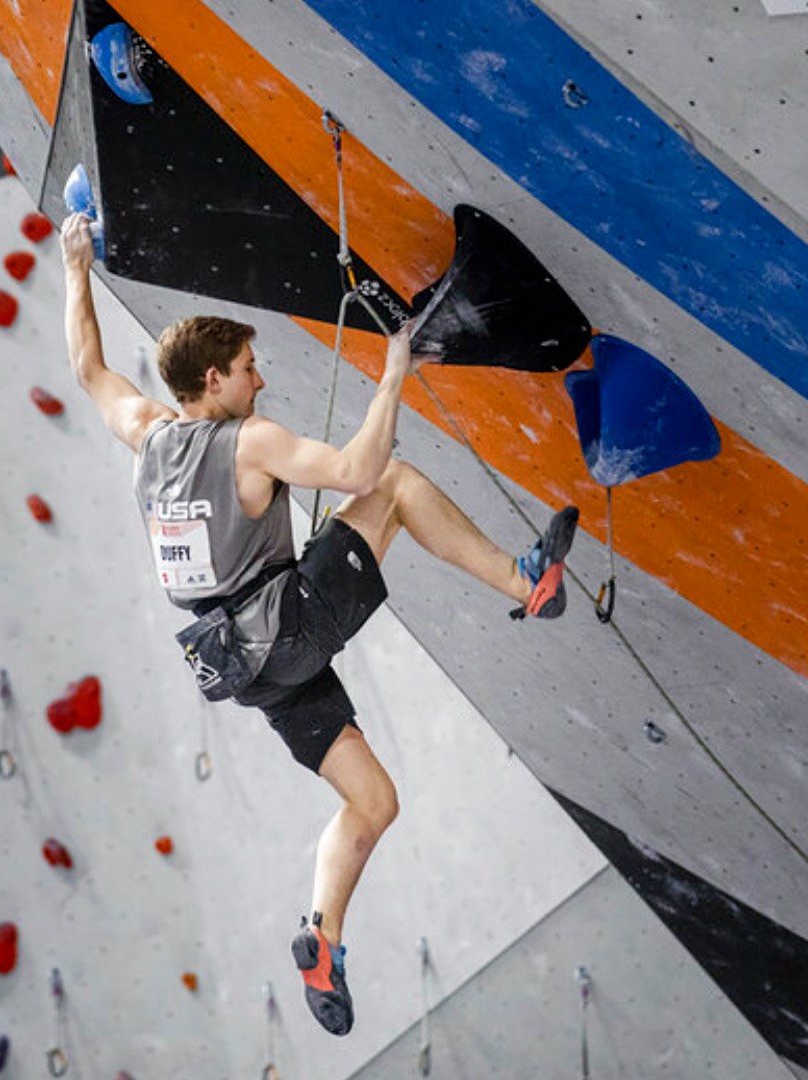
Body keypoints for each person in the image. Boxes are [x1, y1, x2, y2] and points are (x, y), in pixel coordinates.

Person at [59, 212, 578, 1036]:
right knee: (398, 486)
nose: (259, 382)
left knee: (371, 800)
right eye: (247, 370)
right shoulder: (245, 442)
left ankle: (322, 936)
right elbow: (358, 471)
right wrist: (395, 370)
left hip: (246, 669)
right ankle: (529, 581)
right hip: (286, 624)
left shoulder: (148, 437)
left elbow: (87, 366)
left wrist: (74, 267)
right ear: (213, 383)